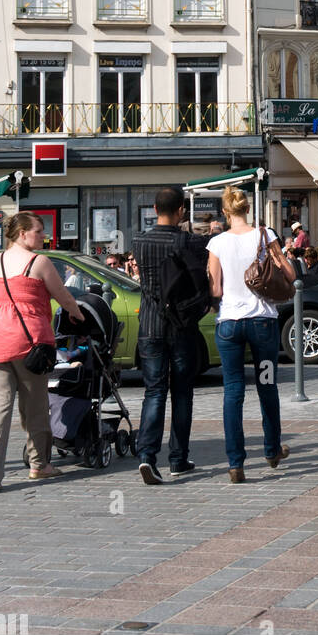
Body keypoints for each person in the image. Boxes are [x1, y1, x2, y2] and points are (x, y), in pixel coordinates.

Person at [0, 213, 86, 490]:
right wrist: (76, 313)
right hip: (30, 343)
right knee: (36, 408)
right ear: (22, 234)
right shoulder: (39, 262)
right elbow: (63, 296)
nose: (44, 236)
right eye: (39, 231)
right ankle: (39, 465)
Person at [206, 186, 294, 483]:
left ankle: (236, 463)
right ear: (247, 209)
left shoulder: (216, 242)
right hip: (262, 324)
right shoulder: (265, 235)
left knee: (233, 392)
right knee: (267, 385)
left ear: (225, 212)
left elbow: (215, 289)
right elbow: (290, 274)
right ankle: (271, 450)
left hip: (229, 324)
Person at [132, 186, 209, 485]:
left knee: (153, 392)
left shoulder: (139, 241)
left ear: (153, 209)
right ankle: (178, 458)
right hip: (181, 325)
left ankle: (146, 456)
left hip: (150, 325)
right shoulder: (189, 241)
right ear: (181, 212)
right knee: (181, 392)